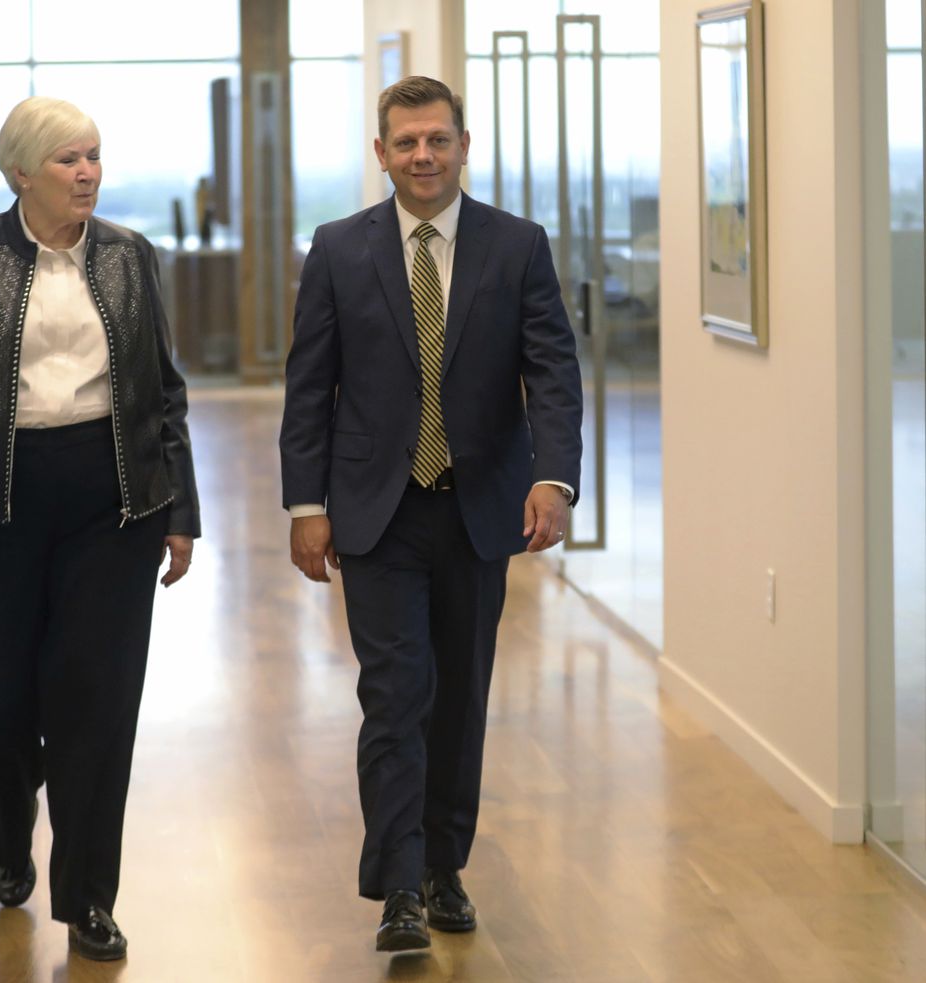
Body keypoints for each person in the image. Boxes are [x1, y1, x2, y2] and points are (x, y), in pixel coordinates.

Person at [279, 76, 582, 953]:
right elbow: (310, 389)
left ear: (463, 144)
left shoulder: (518, 246)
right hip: (377, 513)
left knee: (460, 698)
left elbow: (553, 374)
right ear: (381, 153)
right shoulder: (338, 249)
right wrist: (306, 503)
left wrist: (553, 479)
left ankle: (447, 866)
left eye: (438, 140)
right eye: (406, 142)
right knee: (396, 695)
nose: (423, 156)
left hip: (479, 509)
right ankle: (400, 886)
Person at [0, 96, 200, 962]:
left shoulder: (132, 256)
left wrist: (179, 507)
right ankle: (7, 826)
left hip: (113, 506)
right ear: (22, 172)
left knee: (97, 704)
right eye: (69, 159)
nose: (88, 173)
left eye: (95, 156)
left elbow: (164, 392)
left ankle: (88, 900)